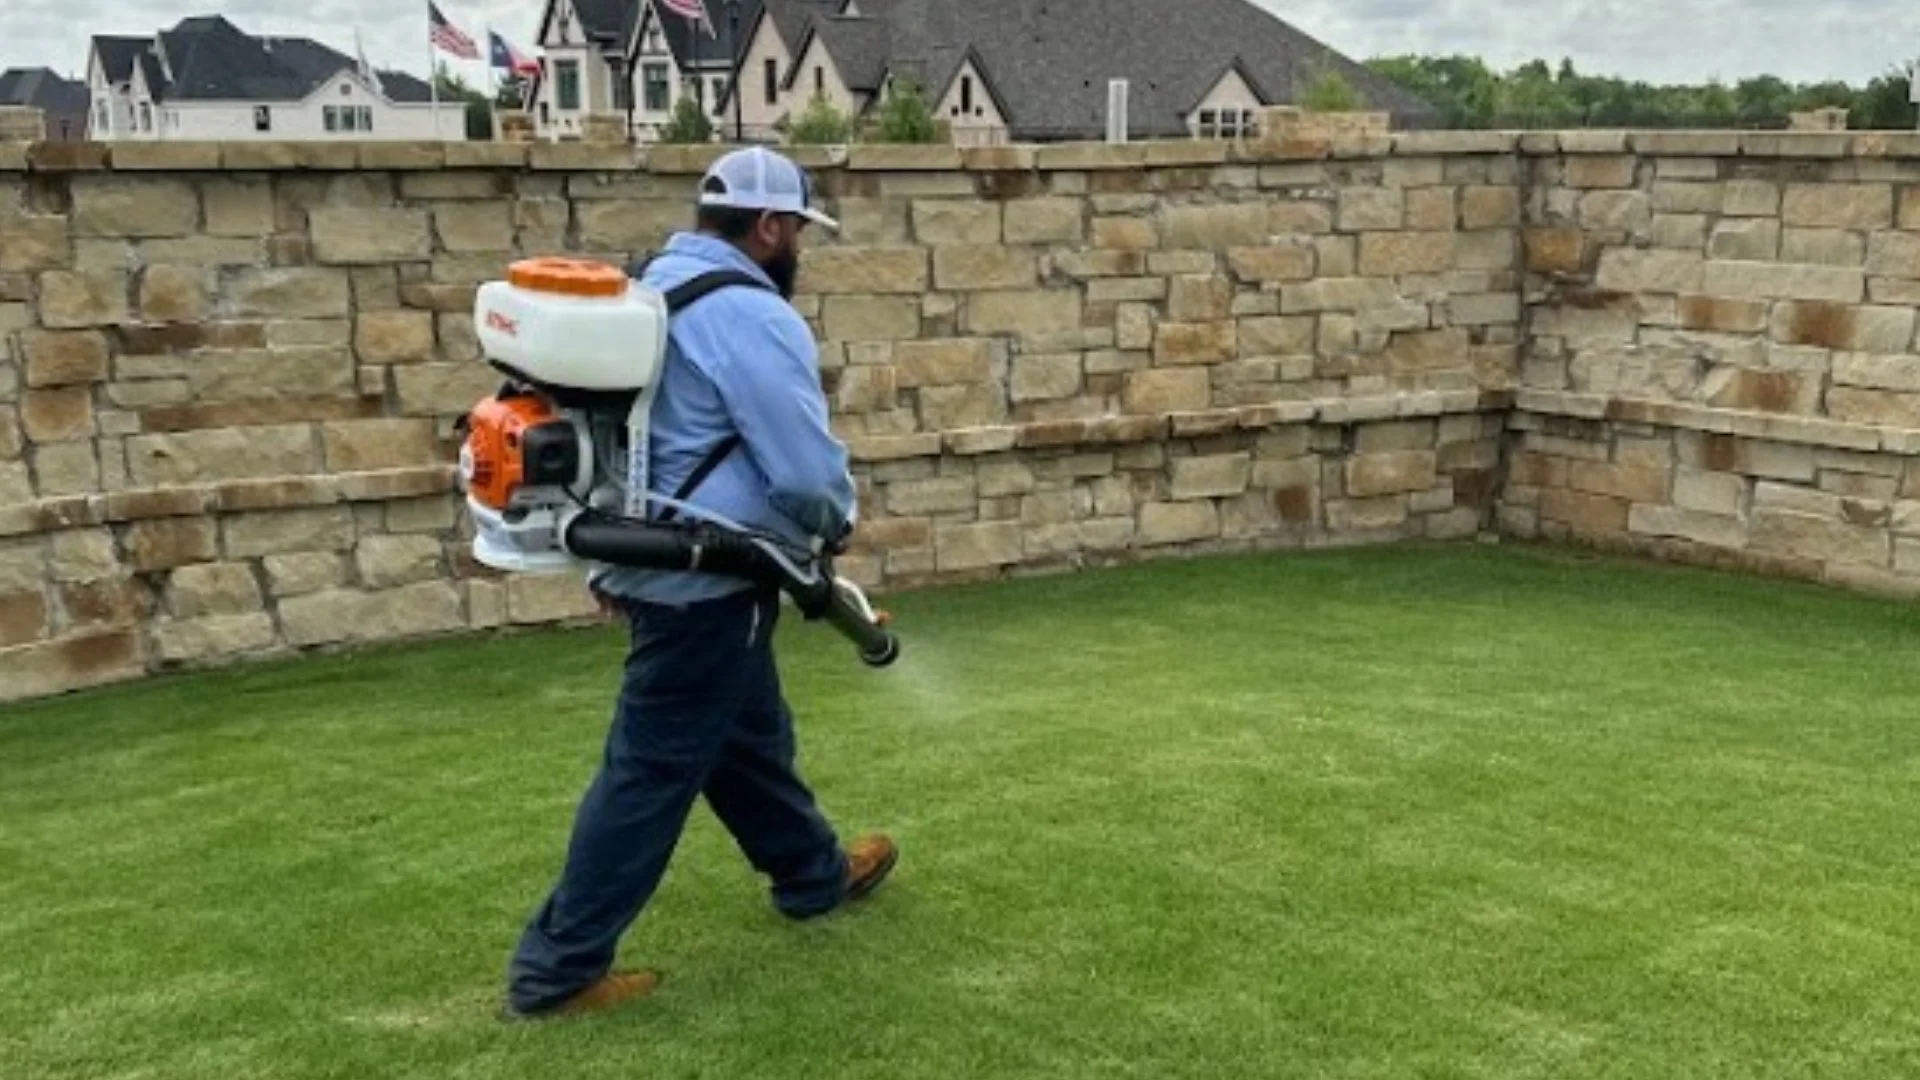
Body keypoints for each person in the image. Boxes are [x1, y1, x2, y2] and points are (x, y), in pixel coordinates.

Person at [502, 147, 898, 1020]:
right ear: (767, 227)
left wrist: (610, 562)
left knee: (746, 736)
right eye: (796, 229)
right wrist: (835, 522)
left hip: (647, 555)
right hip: (707, 575)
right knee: (649, 771)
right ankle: (556, 974)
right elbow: (800, 467)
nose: (798, 245)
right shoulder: (750, 316)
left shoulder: (649, 287)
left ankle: (811, 874)